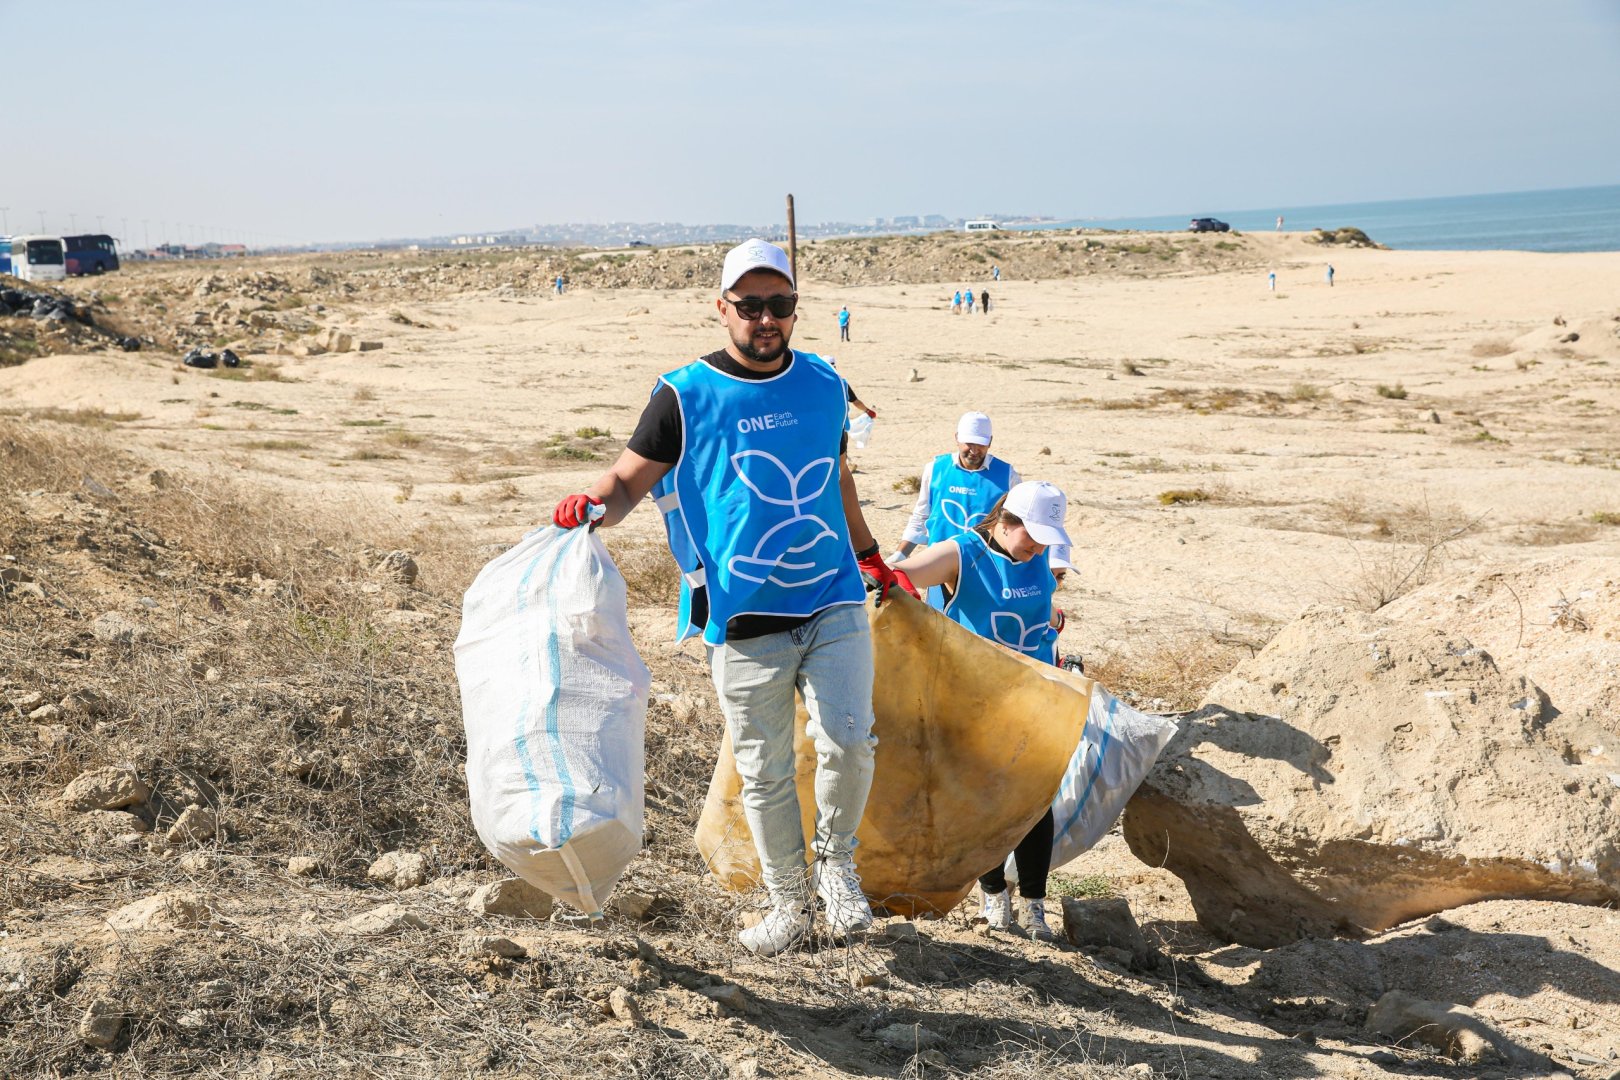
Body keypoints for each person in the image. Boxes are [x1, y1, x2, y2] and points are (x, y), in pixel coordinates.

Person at [551, 238, 916, 956]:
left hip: (834, 598)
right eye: (749, 306)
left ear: (794, 309)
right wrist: (590, 504)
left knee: (849, 740)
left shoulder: (823, 381)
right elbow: (628, 480)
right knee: (765, 769)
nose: (765, 319)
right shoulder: (684, 395)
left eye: (778, 305)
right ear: (722, 309)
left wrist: (872, 558)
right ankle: (789, 905)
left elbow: (837, 479)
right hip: (744, 615)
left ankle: (837, 867)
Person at [893, 481, 1073, 937]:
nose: (1038, 547)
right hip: (972, 702)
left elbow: (1039, 611)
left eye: (1046, 539)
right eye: (1031, 535)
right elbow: (905, 573)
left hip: (1032, 697)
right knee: (985, 801)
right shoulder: (964, 553)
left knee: (1036, 803)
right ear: (1006, 521)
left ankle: (1034, 904)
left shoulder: (1039, 558)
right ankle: (994, 897)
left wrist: (1055, 626)